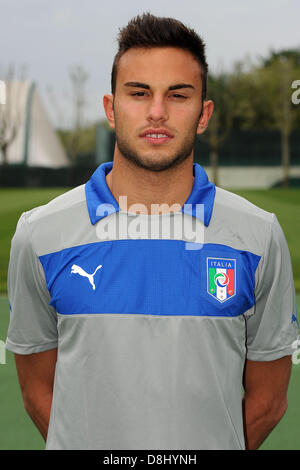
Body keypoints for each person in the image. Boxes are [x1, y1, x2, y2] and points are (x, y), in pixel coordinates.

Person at [6, 13, 299, 451]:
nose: (157, 112)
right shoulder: (39, 234)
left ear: (203, 114)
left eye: (178, 95)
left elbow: (269, 400)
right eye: (139, 93)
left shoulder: (258, 235)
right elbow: (36, 391)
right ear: (111, 108)